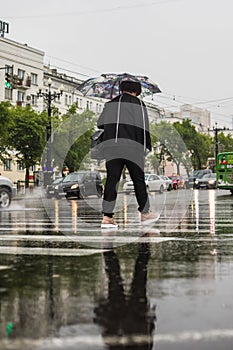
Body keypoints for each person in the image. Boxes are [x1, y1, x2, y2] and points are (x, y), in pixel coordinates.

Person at [97, 80, 160, 228]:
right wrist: (145, 147)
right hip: (133, 148)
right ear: (136, 91)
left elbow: (100, 123)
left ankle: (107, 217)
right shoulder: (138, 104)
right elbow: (144, 127)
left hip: (112, 147)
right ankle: (145, 214)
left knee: (112, 180)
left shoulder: (110, 104)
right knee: (138, 180)